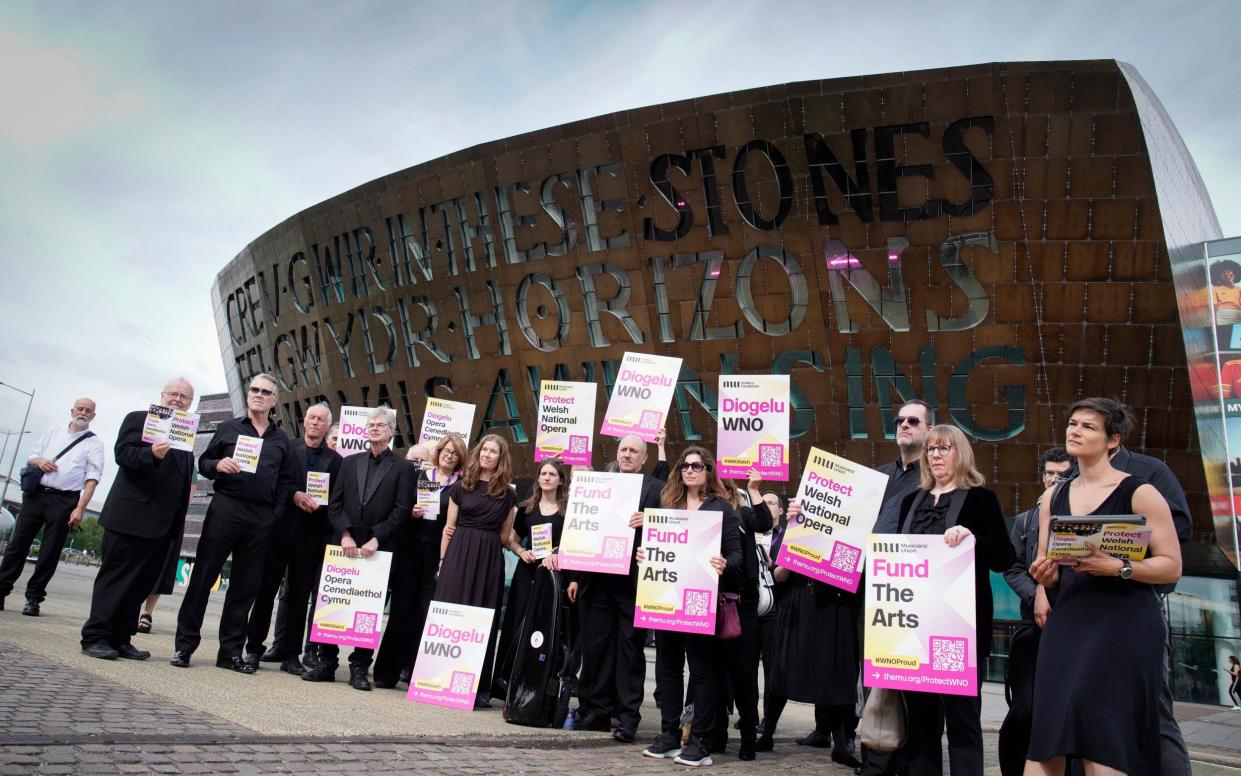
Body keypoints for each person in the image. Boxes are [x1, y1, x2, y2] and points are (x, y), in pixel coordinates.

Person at [1026, 398, 1182, 776]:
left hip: (1123, 622)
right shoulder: (1053, 496)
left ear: (1113, 440)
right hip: (1069, 621)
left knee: (1105, 737)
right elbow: (1048, 564)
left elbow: (1171, 566)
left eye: (1088, 427)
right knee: (1047, 735)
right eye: (1073, 424)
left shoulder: (1139, 492)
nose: (1075, 431)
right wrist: (1045, 578)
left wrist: (1118, 567)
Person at [896, 424, 1014, 776]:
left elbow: (1005, 558)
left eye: (944, 448)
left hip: (960, 627)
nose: (935, 456)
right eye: (931, 450)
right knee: (920, 719)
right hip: (915, 624)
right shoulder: (909, 502)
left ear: (960, 453)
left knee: (962, 716)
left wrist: (973, 538)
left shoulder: (981, 499)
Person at [171, 374, 297, 671]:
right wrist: (217, 465)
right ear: (248, 393)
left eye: (266, 392)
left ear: (274, 400)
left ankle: (230, 653)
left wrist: (274, 514)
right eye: (254, 390)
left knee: (245, 587)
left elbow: (287, 481)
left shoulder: (281, 440)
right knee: (202, 578)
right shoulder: (229, 428)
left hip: (261, 518)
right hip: (226, 508)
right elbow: (203, 463)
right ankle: (184, 647)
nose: (259, 395)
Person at [641, 446, 743, 767]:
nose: (689, 470)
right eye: (684, 466)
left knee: (702, 672)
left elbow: (737, 554)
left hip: (702, 600)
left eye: (696, 466)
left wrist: (725, 562)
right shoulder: (668, 505)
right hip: (668, 598)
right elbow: (659, 548)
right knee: (667, 670)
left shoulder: (722, 509)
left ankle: (701, 740)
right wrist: (645, 555)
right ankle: (669, 734)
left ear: (708, 471)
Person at [80, 380, 195, 660]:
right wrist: (151, 454)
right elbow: (124, 455)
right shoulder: (138, 419)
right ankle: (95, 636)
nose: (178, 400)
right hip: (130, 519)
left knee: (141, 584)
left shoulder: (184, 437)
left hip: (160, 528)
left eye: (184, 397)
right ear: (162, 395)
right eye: (173, 394)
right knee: (115, 579)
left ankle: (121, 637)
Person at [303, 406, 414, 689]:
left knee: (368, 610)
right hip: (345, 544)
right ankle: (327, 663)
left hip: (379, 549)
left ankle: (359, 668)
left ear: (392, 431)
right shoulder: (349, 463)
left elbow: (402, 510)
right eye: (371, 424)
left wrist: (377, 538)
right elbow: (335, 502)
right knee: (333, 603)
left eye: (381, 425)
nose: (375, 428)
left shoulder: (403, 468)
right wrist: (344, 534)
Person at [757, 494, 862, 768]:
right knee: (782, 670)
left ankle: (840, 744)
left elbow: (853, 572)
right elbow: (777, 575)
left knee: (835, 674)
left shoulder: (851, 535)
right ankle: (767, 733)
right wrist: (796, 548)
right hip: (797, 604)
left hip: (834, 607)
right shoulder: (795, 527)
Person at [573, 433, 664, 742]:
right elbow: (580, 527)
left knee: (630, 651)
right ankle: (596, 711)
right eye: (623, 449)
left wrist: (650, 521)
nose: (627, 454)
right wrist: (574, 574)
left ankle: (628, 717)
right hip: (597, 580)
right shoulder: (600, 484)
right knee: (595, 647)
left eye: (633, 451)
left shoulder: (657, 490)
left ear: (644, 458)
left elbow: (672, 531)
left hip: (634, 584)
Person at [861, 397, 932, 776]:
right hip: (874, 589)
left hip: (911, 589)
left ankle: (907, 760)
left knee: (907, 678)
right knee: (873, 675)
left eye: (913, 421)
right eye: (900, 420)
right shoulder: (879, 477)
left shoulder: (933, 477)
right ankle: (875, 758)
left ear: (928, 430)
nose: (904, 425)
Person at [247, 402, 342, 675]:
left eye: (320, 419)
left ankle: (291, 655)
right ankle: (254, 648)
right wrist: (294, 496)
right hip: (280, 531)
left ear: (327, 426)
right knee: (265, 593)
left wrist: (319, 506)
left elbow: (336, 497)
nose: (314, 423)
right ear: (304, 422)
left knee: (300, 598)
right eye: (311, 417)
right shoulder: (287, 448)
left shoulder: (336, 461)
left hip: (311, 537)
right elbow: (274, 481)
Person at [998, 447, 1072, 776]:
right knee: (1024, 710)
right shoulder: (1026, 520)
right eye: (1050, 474)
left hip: (1073, 627)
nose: (1055, 480)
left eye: (1063, 475)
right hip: (1035, 628)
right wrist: (1034, 596)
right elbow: (1013, 567)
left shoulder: (1081, 519)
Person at [433, 433, 518, 708]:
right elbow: (449, 528)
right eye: (484, 450)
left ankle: (477, 686)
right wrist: (443, 561)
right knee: (451, 613)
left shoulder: (509, 494)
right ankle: (438, 678)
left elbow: (505, 537)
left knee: (481, 621)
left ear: (500, 458)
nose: (487, 455)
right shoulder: (462, 486)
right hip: (458, 554)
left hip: (488, 559)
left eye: (493, 451)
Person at [0, 398, 105, 615]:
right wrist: (39, 462)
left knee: (50, 552)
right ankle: (1, 590)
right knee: (17, 545)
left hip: (65, 500)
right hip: (37, 495)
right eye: (80, 409)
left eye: (88, 411)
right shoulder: (53, 432)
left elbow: (92, 478)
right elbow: (31, 456)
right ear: (72, 410)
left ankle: (34, 599)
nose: (83, 413)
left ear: (93, 415)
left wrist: (80, 508)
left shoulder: (94, 443)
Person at [372, 437, 463, 688]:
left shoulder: (462, 485)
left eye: (455, 453)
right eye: (446, 450)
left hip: (438, 553)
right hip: (411, 547)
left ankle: (416, 674)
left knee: (426, 613)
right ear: (439, 451)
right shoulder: (420, 474)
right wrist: (411, 512)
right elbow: (400, 506)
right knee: (402, 609)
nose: (449, 456)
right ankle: (387, 672)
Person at [492, 458, 569, 698]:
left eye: (552, 474)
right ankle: (504, 683)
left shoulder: (568, 511)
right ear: (538, 479)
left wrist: (558, 553)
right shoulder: (527, 508)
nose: (547, 478)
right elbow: (511, 539)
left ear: (560, 480)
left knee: (544, 629)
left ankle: (534, 683)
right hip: (527, 572)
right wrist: (521, 551)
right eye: (543, 474)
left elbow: (576, 543)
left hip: (553, 576)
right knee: (516, 623)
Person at [714, 470, 772, 760]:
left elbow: (764, 521)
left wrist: (754, 489)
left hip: (742, 602)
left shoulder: (742, 513)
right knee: (713, 672)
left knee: (743, 672)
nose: (720, 496)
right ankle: (716, 734)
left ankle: (749, 736)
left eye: (724, 491)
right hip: (711, 599)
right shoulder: (704, 515)